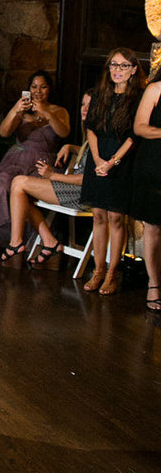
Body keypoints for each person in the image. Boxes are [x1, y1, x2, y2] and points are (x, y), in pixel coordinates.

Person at [0, 90, 93, 266]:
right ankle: (49, 242)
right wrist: (71, 147)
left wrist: (53, 175)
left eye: (90, 105)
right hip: (75, 188)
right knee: (20, 191)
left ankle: (16, 243)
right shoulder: (91, 131)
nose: (84, 109)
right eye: (82, 104)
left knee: (19, 183)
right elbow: (90, 155)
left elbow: (88, 179)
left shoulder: (98, 133)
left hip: (83, 193)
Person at [0, 70, 70, 252]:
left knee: (24, 191)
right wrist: (15, 110)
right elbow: (4, 132)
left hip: (42, 163)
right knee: (1, 184)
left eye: (43, 87)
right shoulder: (21, 110)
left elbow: (63, 132)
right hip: (17, 159)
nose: (38, 91)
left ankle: (24, 238)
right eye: (34, 87)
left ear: (49, 89)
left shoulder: (59, 111)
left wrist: (47, 113)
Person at [79, 48, 145, 295]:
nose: (117, 70)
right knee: (98, 215)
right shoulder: (100, 95)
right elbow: (91, 128)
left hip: (122, 161)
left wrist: (112, 162)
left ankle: (113, 272)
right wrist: (98, 159)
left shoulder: (138, 98)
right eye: (113, 65)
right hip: (98, 160)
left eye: (123, 65)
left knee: (116, 218)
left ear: (134, 69)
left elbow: (133, 136)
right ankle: (98, 271)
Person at [131, 70, 161, 312]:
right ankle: (154, 284)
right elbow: (139, 127)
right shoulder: (155, 89)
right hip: (154, 163)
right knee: (153, 226)